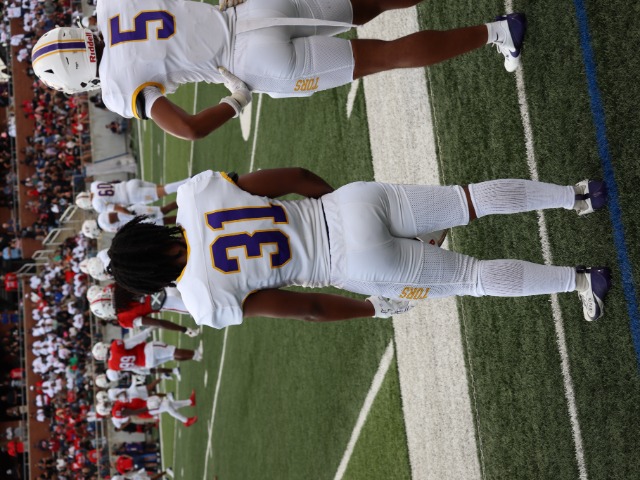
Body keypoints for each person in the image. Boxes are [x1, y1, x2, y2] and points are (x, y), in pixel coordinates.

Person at [106, 168, 612, 328]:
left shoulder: (202, 299)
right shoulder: (195, 195)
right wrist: (340, 209)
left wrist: (373, 307)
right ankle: (576, 195)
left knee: (472, 279)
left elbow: (307, 307)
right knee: (468, 200)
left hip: (348, 263)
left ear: (151, 279)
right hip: (347, 205)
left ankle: (581, 280)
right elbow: (296, 177)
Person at [31, 0, 526, 140]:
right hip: (252, 9)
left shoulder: (118, 88)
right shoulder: (112, 4)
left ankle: (498, 32)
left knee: (386, 55)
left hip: (251, 64)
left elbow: (188, 129)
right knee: (372, 1)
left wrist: (235, 101)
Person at [75, 178, 188, 213]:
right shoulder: (94, 185)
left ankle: (188, 181)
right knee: (161, 188)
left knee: (163, 191)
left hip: (132, 196)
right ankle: (186, 183)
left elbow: (118, 208)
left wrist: (129, 213)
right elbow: (112, 183)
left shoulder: (97, 204)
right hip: (129, 184)